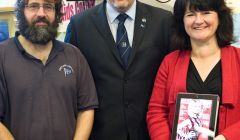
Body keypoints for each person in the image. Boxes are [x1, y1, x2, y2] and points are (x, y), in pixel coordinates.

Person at [64, 0, 172, 139]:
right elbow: (70, 84)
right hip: (100, 133)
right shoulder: (79, 25)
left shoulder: (163, 21)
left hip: (150, 133)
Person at [0, 0, 98, 139]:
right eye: (34, 6)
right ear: (22, 11)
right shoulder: (2, 57)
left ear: (56, 13)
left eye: (48, 6)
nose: (41, 13)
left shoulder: (74, 55)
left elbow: (86, 109)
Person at [147, 0, 240, 140]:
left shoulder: (238, 59)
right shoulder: (170, 62)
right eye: (190, 14)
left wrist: (226, 137)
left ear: (220, 17)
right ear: (182, 21)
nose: (198, 20)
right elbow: (156, 112)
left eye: (206, 13)